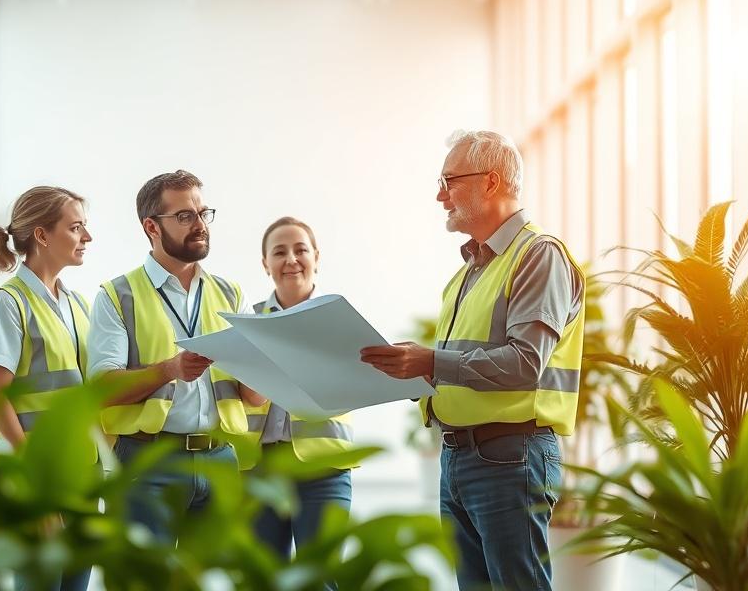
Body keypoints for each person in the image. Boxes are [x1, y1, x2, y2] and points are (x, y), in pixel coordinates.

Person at [360, 130, 585, 591]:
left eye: (448, 181)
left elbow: (525, 364)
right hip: (462, 458)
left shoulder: (538, 255)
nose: (439, 196)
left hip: (510, 458)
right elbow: (461, 359)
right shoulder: (470, 270)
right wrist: (413, 363)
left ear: (491, 182)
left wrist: (430, 362)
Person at [88, 169, 250, 542]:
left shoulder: (231, 294)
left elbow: (253, 395)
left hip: (220, 460)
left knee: (213, 581)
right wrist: (170, 369)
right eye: (184, 216)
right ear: (152, 227)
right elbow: (102, 389)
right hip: (148, 463)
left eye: (203, 213)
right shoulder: (117, 296)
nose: (200, 225)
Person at [0, 185, 96, 591]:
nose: (87, 237)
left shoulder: (78, 305)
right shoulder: (9, 301)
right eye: (77, 227)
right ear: (43, 236)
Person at [240, 217, 353, 570]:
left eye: (300, 249)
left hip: (324, 467)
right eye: (279, 252)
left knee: (321, 576)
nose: (291, 259)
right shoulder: (249, 321)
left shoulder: (340, 317)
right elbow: (252, 395)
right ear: (265, 264)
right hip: (261, 470)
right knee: (264, 576)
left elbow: (346, 386)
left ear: (316, 257)